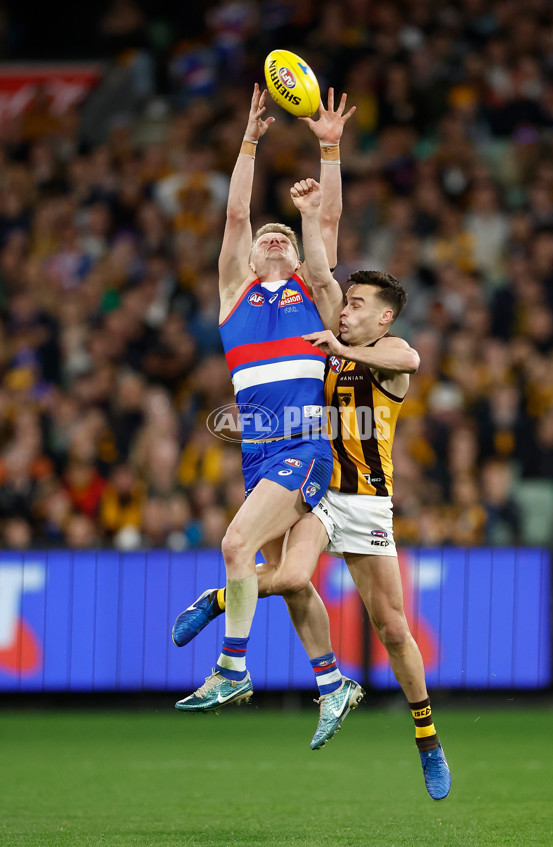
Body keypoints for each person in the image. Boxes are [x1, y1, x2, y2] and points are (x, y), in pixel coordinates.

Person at [173, 179, 452, 800]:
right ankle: (320, 678)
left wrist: (348, 346)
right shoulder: (319, 347)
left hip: (369, 503)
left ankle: (427, 740)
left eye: (358, 306)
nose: (344, 310)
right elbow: (296, 390)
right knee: (294, 577)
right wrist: (247, 421)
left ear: (381, 318)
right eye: (344, 303)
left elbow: (409, 363)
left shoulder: (389, 352)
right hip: (319, 490)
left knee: (393, 629)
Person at [173, 86, 366, 748]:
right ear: (248, 258)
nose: (273, 236)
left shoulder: (316, 293)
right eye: (266, 236)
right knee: (287, 581)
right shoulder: (235, 294)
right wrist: (249, 140)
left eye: (281, 233)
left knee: (234, 546)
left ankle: (231, 667)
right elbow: (233, 215)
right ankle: (334, 680)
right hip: (261, 452)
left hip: (307, 444)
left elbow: (328, 226)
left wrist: (329, 150)